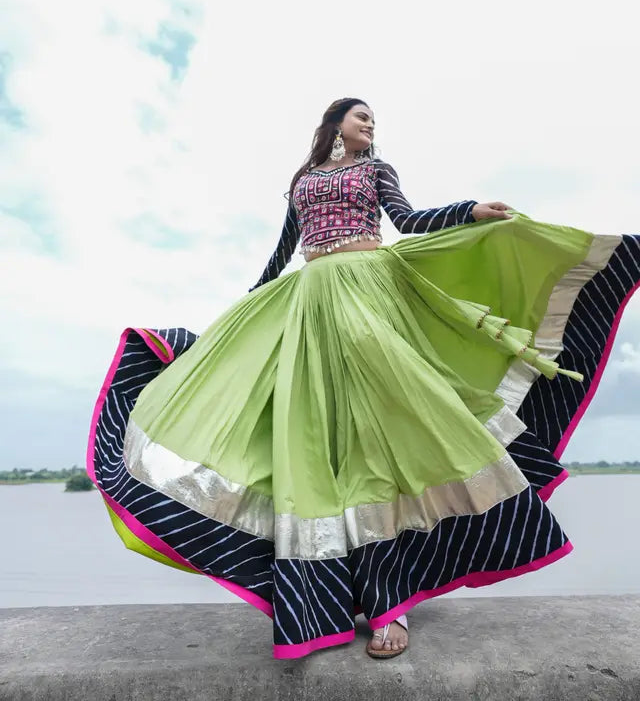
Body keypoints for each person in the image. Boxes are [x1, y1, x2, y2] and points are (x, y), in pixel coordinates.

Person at [87, 96, 640, 661]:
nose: (370, 123)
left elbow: (409, 220)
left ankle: (391, 604)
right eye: (361, 115)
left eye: (373, 119)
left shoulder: (375, 170)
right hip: (310, 303)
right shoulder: (302, 180)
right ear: (335, 123)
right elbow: (283, 252)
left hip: (371, 295)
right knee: (320, 448)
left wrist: (467, 212)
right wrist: (244, 312)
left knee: (387, 436)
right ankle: (336, 597)